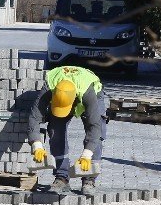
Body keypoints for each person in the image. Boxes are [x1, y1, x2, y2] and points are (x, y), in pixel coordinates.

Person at [28, 65, 107, 195]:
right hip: (61, 95)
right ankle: (61, 177)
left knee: (97, 136)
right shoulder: (50, 86)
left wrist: (86, 155)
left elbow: (94, 127)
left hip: (91, 93)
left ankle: (89, 179)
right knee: (54, 129)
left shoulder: (87, 91)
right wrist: (37, 145)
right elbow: (35, 117)